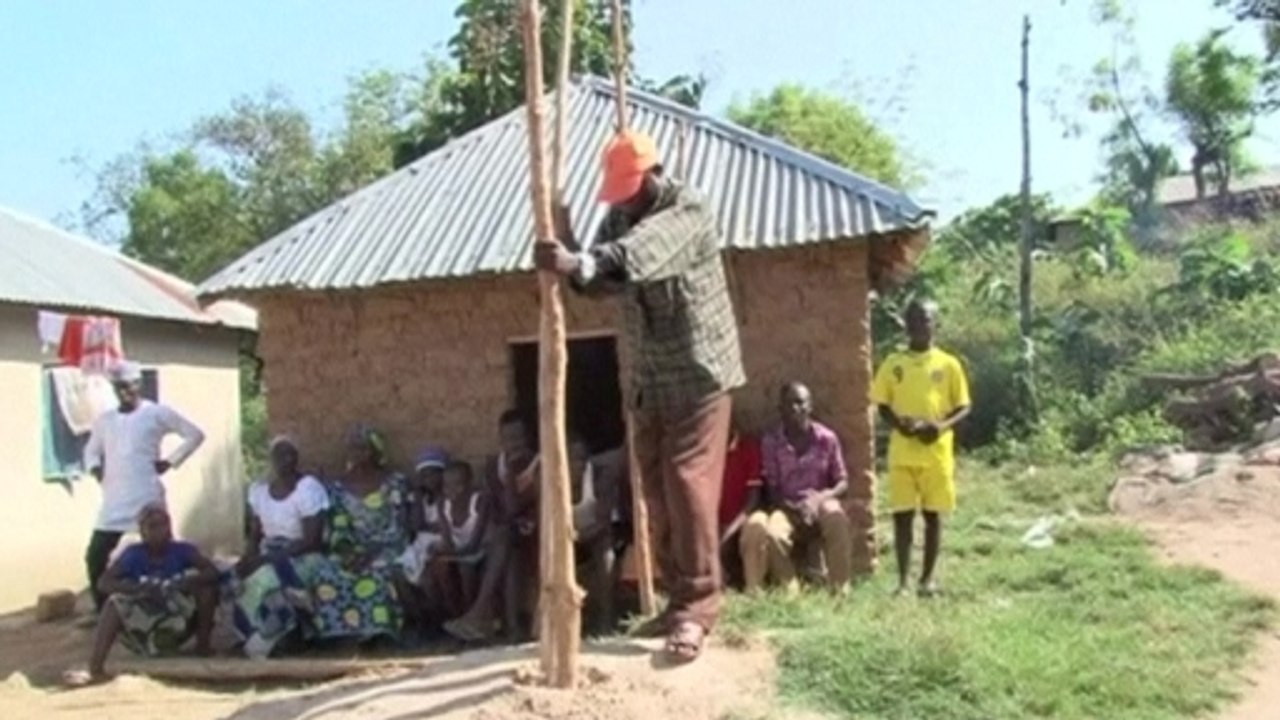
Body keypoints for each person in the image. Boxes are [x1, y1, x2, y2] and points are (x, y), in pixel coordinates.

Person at [535, 130, 745, 662]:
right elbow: (600, 279)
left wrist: (582, 261)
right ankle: (679, 598)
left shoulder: (687, 210)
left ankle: (698, 608)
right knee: (654, 493)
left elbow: (637, 258)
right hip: (650, 382)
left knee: (687, 485)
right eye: (618, 193)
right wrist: (568, 245)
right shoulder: (620, 219)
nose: (624, 201)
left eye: (631, 190)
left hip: (700, 375)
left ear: (652, 175)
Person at [82, 361, 205, 615]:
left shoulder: (156, 413)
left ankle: (172, 604)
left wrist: (170, 462)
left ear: (139, 385)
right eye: (119, 387)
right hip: (114, 500)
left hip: (147, 497)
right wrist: (96, 469)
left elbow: (194, 434)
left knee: (162, 554)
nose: (124, 392)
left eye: (129, 386)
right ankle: (103, 610)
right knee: (95, 555)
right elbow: (90, 451)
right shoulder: (105, 420)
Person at [871, 300, 971, 598]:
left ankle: (927, 580)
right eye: (914, 320)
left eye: (926, 320)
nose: (920, 325)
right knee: (902, 516)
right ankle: (902, 582)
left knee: (932, 516)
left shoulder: (949, 364)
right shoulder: (893, 363)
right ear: (906, 325)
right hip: (902, 453)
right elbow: (882, 403)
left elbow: (964, 406)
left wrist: (940, 427)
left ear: (935, 324)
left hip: (936, 453)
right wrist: (898, 424)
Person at [64, 503, 219, 686]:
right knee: (114, 604)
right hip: (143, 625)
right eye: (152, 526)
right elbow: (104, 583)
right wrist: (138, 589)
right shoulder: (133, 555)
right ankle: (96, 668)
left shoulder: (183, 550)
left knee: (207, 591)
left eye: (163, 525)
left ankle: (203, 646)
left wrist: (184, 583)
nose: (159, 531)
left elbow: (212, 572)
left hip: (178, 621)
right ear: (142, 532)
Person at [741, 383, 852, 594]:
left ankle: (840, 588)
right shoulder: (772, 441)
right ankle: (790, 587)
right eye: (788, 403)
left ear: (810, 406)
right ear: (780, 408)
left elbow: (842, 482)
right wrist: (793, 507)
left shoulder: (826, 439)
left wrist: (817, 500)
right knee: (773, 532)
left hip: (820, 501)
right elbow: (771, 487)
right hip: (786, 505)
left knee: (836, 517)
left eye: (800, 402)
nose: (795, 408)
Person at [309, 424, 408, 642]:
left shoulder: (394, 482)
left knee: (378, 572)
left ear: (375, 451)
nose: (358, 454)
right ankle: (338, 633)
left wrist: (371, 552)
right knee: (328, 573)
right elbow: (338, 525)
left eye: (364, 449)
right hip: (351, 547)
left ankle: (378, 631)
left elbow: (397, 525)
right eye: (354, 449)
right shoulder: (338, 487)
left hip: (386, 545)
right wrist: (347, 552)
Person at [233, 436, 329, 659]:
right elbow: (255, 534)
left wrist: (267, 560)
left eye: (291, 455)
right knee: (235, 580)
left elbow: (312, 540)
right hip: (271, 554)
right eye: (280, 455)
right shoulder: (259, 491)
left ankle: (270, 643)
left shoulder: (307, 489)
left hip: (304, 556)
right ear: (272, 459)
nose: (286, 459)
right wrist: (249, 558)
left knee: (264, 580)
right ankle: (248, 637)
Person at [569, 436, 621, 636]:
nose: (578, 464)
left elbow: (603, 522)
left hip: (594, 534)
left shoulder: (600, 477)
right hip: (566, 536)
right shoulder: (550, 478)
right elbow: (545, 518)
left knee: (606, 553)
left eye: (582, 459)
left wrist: (578, 536)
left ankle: (605, 620)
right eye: (572, 459)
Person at [398, 447, 450, 633]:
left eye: (433, 474)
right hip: (420, 543)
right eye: (424, 476)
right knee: (399, 575)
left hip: (442, 542)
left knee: (429, 578)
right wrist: (418, 499)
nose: (429, 480)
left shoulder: (449, 497)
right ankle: (419, 620)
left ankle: (438, 621)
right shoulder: (420, 499)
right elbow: (416, 525)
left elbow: (446, 527)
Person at [430, 461, 490, 617]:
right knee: (440, 568)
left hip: (480, 549)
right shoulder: (443, 504)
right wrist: (445, 554)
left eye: (458, 485)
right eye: (447, 486)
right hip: (458, 550)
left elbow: (475, 543)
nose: (452, 491)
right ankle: (455, 614)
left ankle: (471, 615)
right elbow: (447, 539)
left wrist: (450, 554)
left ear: (470, 483)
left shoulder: (479, 502)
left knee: (466, 570)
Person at [718, 424, 762, 590]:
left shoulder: (748, 449)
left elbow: (753, 501)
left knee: (752, 532)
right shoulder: (707, 452)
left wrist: (729, 531)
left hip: (739, 520)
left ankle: (750, 588)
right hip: (714, 522)